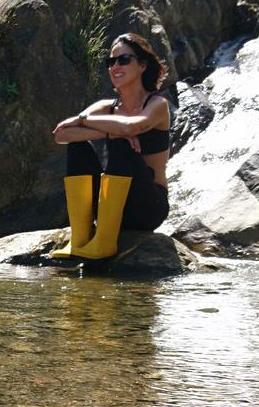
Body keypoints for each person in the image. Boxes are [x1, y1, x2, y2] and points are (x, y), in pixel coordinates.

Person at [50, 33, 171, 259]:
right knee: (78, 147)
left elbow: (131, 127)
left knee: (121, 146)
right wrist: (105, 131)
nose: (115, 66)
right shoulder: (107, 107)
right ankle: (80, 239)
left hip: (146, 206)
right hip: (110, 206)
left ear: (142, 65)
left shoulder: (157, 105)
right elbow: (62, 135)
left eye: (123, 60)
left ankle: (104, 242)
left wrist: (84, 120)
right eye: (110, 62)